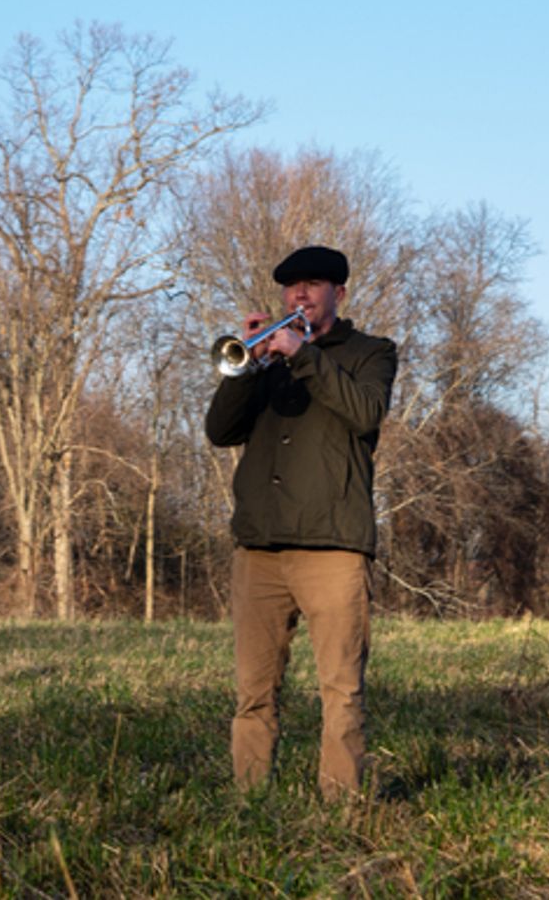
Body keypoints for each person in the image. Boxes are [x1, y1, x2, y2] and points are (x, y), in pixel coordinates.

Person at [205, 244, 398, 798]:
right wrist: (248, 368)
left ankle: (340, 806)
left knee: (340, 688)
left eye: (313, 285)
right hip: (260, 549)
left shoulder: (371, 353)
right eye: (292, 287)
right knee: (254, 690)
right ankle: (251, 801)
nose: (301, 295)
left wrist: (304, 356)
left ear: (339, 292)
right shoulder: (265, 361)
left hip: (334, 548)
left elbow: (366, 413)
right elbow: (220, 432)